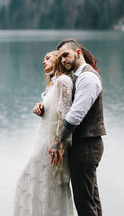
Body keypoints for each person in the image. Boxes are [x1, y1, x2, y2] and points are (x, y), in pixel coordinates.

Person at [12, 51, 74, 216]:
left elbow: (65, 116)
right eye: (43, 60)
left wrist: (59, 144)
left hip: (51, 144)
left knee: (45, 186)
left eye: (47, 58)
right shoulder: (53, 84)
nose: (43, 62)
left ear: (58, 59)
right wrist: (42, 109)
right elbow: (55, 110)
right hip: (42, 141)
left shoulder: (64, 81)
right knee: (36, 185)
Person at [49, 38, 106, 216]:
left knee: (84, 203)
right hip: (84, 146)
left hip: (87, 146)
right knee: (91, 199)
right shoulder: (78, 77)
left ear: (78, 53)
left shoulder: (88, 77)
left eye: (66, 55)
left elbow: (75, 116)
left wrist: (58, 141)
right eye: (60, 57)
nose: (63, 60)